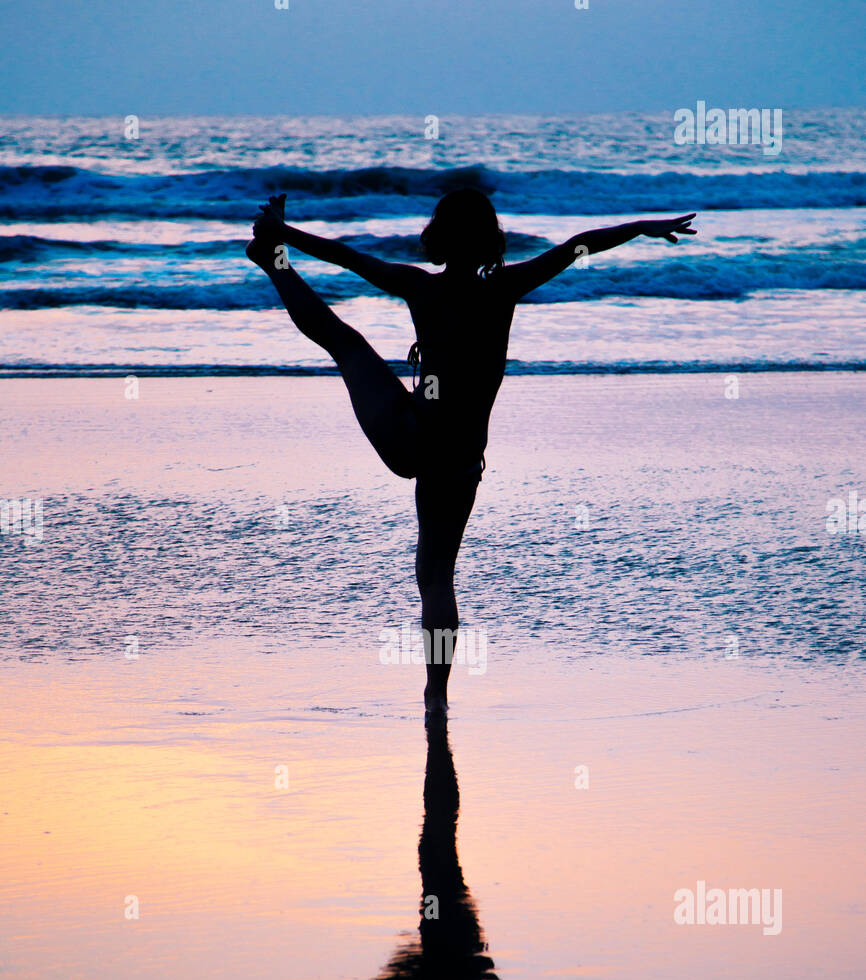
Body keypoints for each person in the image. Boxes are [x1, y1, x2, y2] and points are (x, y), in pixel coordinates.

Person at [246, 189, 696, 719]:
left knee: (343, 341)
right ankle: (436, 693)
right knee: (437, 577)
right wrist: (640, 224)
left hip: (408, 434)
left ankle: (273, 266)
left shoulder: (418, 285)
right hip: (457, 461)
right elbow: (579, 246)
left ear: (437, 237)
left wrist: (282, 234)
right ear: (491, 239)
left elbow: (346, 256)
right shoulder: (504, 288)